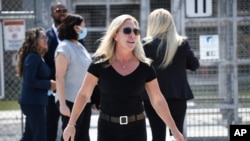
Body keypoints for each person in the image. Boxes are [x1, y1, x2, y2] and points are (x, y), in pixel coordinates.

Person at [62, 14, 184, 141]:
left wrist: (174, 129)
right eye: (127, 30)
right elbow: (83, 94)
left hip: (136, 130)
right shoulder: (99, 65)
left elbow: (158, 100)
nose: (132, 35)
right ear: (115, 35)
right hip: (107, 130)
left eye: (136, 31)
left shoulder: (145, 67)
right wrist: (71, 125)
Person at [142, 8, 200, 141]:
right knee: (177, 134)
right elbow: (194, 65)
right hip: (177, 95)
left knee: (157, 135)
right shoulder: (181, 44)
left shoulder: (145, 45)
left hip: (153, 97)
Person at [55, 13, 93, 141]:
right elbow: (59, 77)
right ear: (75, 28)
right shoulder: (64, 48)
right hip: (70, 101)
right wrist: (62, 104)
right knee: (70, 137)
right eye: (83, 26)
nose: (84, 29)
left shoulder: (80, 46)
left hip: (84, 100)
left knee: (83, 137)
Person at [16, 27, 56, 141]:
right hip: (33, 103)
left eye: (46, 37)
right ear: (34, 40)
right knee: (40, 136)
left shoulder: (38, 57)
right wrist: (49, 84)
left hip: (36, 102)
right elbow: (30, 81)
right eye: (43, 37)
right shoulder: (33, 58)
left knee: (29, 136)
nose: (46, 39)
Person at [43, 2, 68, 141]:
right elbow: (43, 63)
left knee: (69, 125)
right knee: (50, 124)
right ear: (52, 13)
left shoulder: (73, 36)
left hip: (69, 89)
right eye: (58, 10)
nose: (62, 13)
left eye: (64, 10)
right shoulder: (45, 37)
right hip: (52, 89)